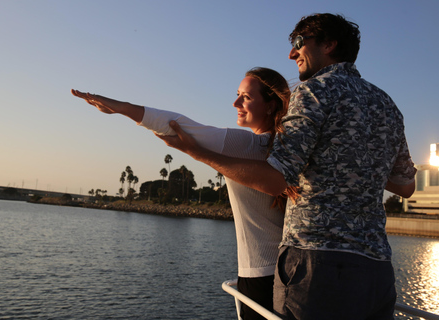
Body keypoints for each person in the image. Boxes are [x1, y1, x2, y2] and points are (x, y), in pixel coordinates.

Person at [158, 13, 417, 319]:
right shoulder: (386, 105)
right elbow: (405, 186)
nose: (291, 53)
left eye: (298, 43)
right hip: (377, 271)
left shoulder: (315, 91)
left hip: (317, 265)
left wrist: (196, 151)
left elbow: (276, 180)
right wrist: (354, 159)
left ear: (330, 44)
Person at [71, 67, 291, 320]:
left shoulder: (248, 144)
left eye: (247, 97)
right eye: (237, 94)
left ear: (271, 105)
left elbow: (177, 125)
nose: (235, 102)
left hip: (261, 273)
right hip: (283, 270)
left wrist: (122, 108)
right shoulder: (283, 148)